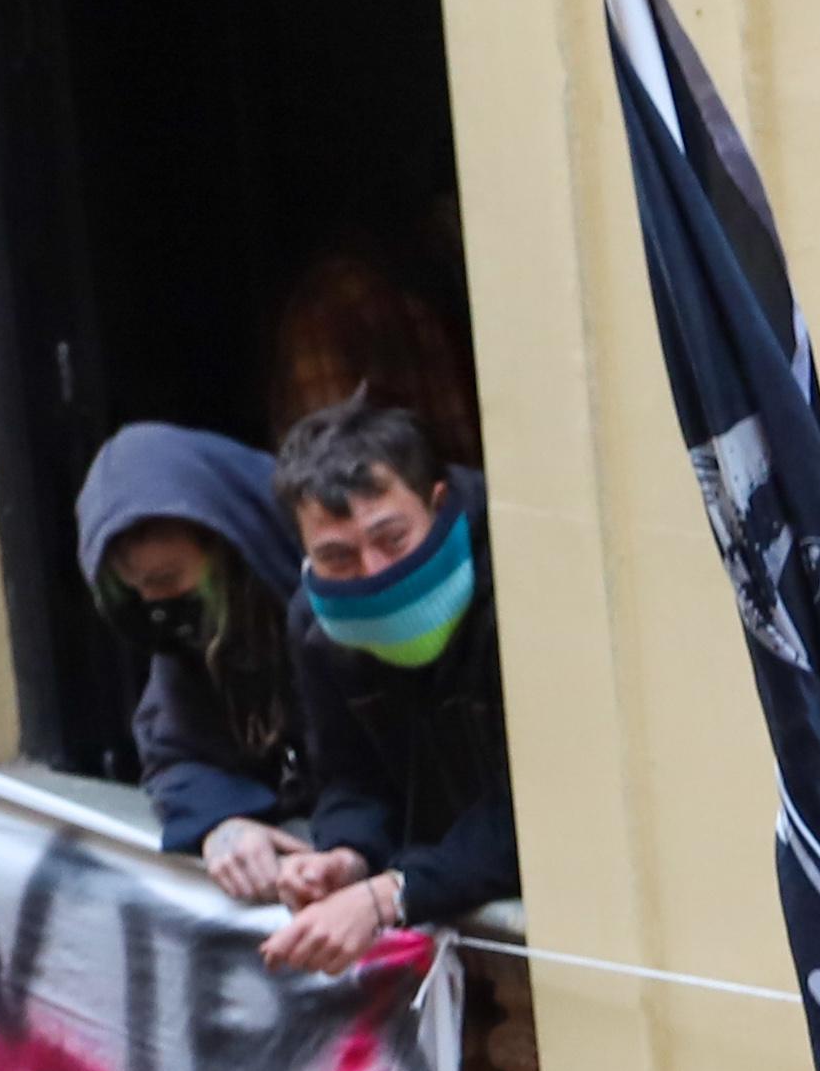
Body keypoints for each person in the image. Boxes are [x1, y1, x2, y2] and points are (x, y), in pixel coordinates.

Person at [260, 394, 514, 975]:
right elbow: (349, 775)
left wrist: (388, 896)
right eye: (338, 557)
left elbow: (541, 805)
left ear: (437, 503)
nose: (375, 573)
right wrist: (346, 857)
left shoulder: (515, 582)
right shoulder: (316, 624)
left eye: (393, 539)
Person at [72, 424, 312, 902]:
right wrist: (224, 824)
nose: (154, 601)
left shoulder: (326, 591)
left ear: (226, 545)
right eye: (134, 587)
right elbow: (176, 753)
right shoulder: (195, 637)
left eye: (167, 578)